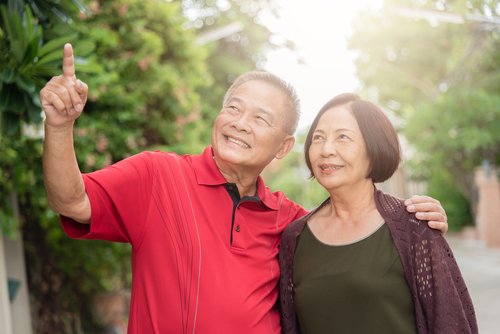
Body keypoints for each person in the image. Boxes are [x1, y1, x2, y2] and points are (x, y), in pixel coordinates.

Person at [40, 44, 449, 333]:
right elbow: (71, 200)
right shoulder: (156, 175)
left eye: (260, 118)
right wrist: (59, 128)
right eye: (233, 107)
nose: (239, 122)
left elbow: (353, 240)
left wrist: (414, 221)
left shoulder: (291, 222)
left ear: (284, 147)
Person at [278, 93, 478, 334]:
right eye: (318, 138)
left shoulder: (415, 226)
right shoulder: (294, 238)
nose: (326, 149)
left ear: (374, 147)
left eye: (343, 137)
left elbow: (450, 323)